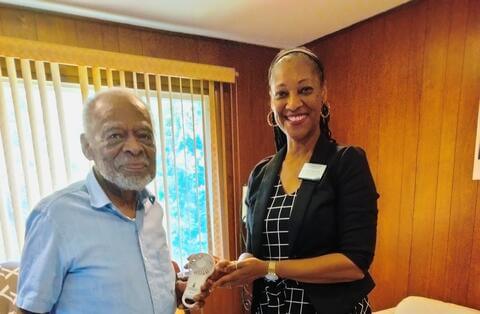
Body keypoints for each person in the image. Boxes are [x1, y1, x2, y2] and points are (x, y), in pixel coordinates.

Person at [213, 47, 379, 314]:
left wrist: (270, 268)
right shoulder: (261, 173)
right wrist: (238, 266)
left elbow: (355, 263)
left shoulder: (346, 162)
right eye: (282, 93)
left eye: (305, 90)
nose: (292, 104)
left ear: (323, 92)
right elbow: (252, 251)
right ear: (271, 100)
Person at [16, 88, 209, 314]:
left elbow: (139, 288)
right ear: (87, 146)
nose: (135, 148)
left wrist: (174, 293)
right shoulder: (55, 216)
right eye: (115, 135)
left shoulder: (152, 210)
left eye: (144, 135)